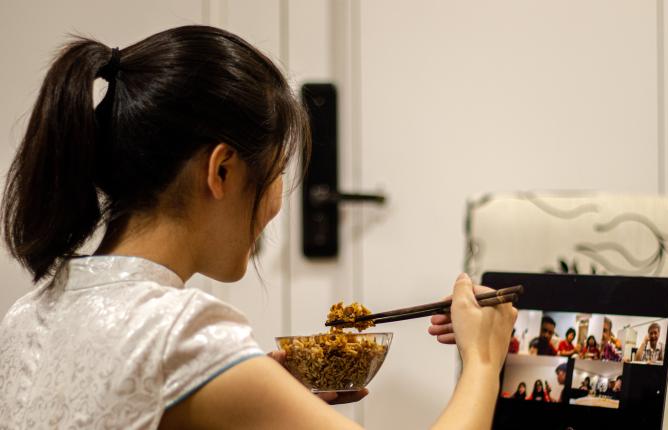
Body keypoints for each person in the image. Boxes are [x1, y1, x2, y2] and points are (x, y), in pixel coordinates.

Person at [0, 26, 518, 429]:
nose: (274, 206)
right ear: (222, 170)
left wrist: (251, 386)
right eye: (275, 176)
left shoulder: (26, 317)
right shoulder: (179, 333)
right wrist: (483, 360)